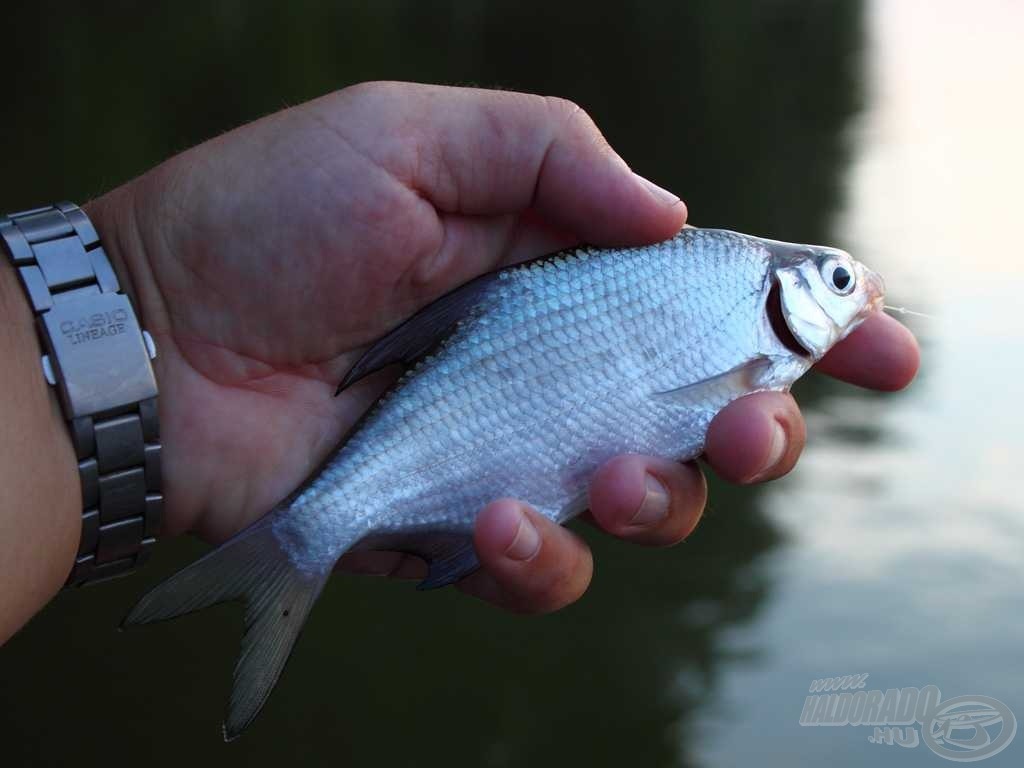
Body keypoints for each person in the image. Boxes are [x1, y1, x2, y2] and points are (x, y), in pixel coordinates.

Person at [0, 82, 919, 643]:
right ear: (788, 291)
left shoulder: (743, 329)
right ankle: (307, 536)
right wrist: (143, 278)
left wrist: (135, 289)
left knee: (611, 506)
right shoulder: (725, 281)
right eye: (837, 282)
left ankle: (306, 532)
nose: (850, 294)